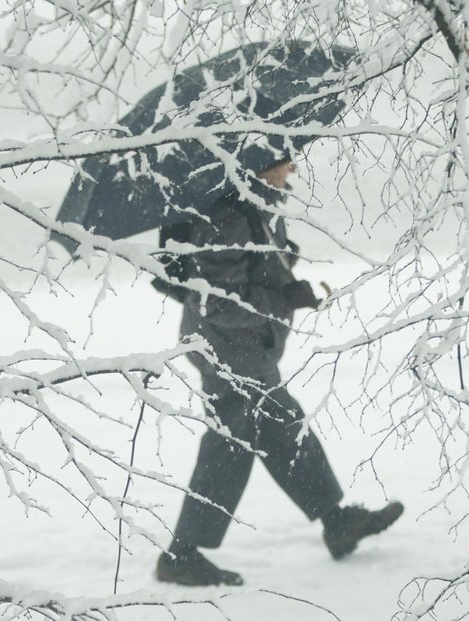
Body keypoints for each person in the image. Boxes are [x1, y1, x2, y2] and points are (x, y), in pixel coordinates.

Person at [155, 159, 403, 587]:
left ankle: (336, 521)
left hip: (246, 351)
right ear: (258, 164)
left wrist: (280, 261)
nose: (291, 166)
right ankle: (181, 556)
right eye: (282, 160)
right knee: (229, 445)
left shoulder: (252, 206)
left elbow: (244, 270)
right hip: (227, 354)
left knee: (284, 430)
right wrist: (284, 298)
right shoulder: (228, 215)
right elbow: (217, 302)